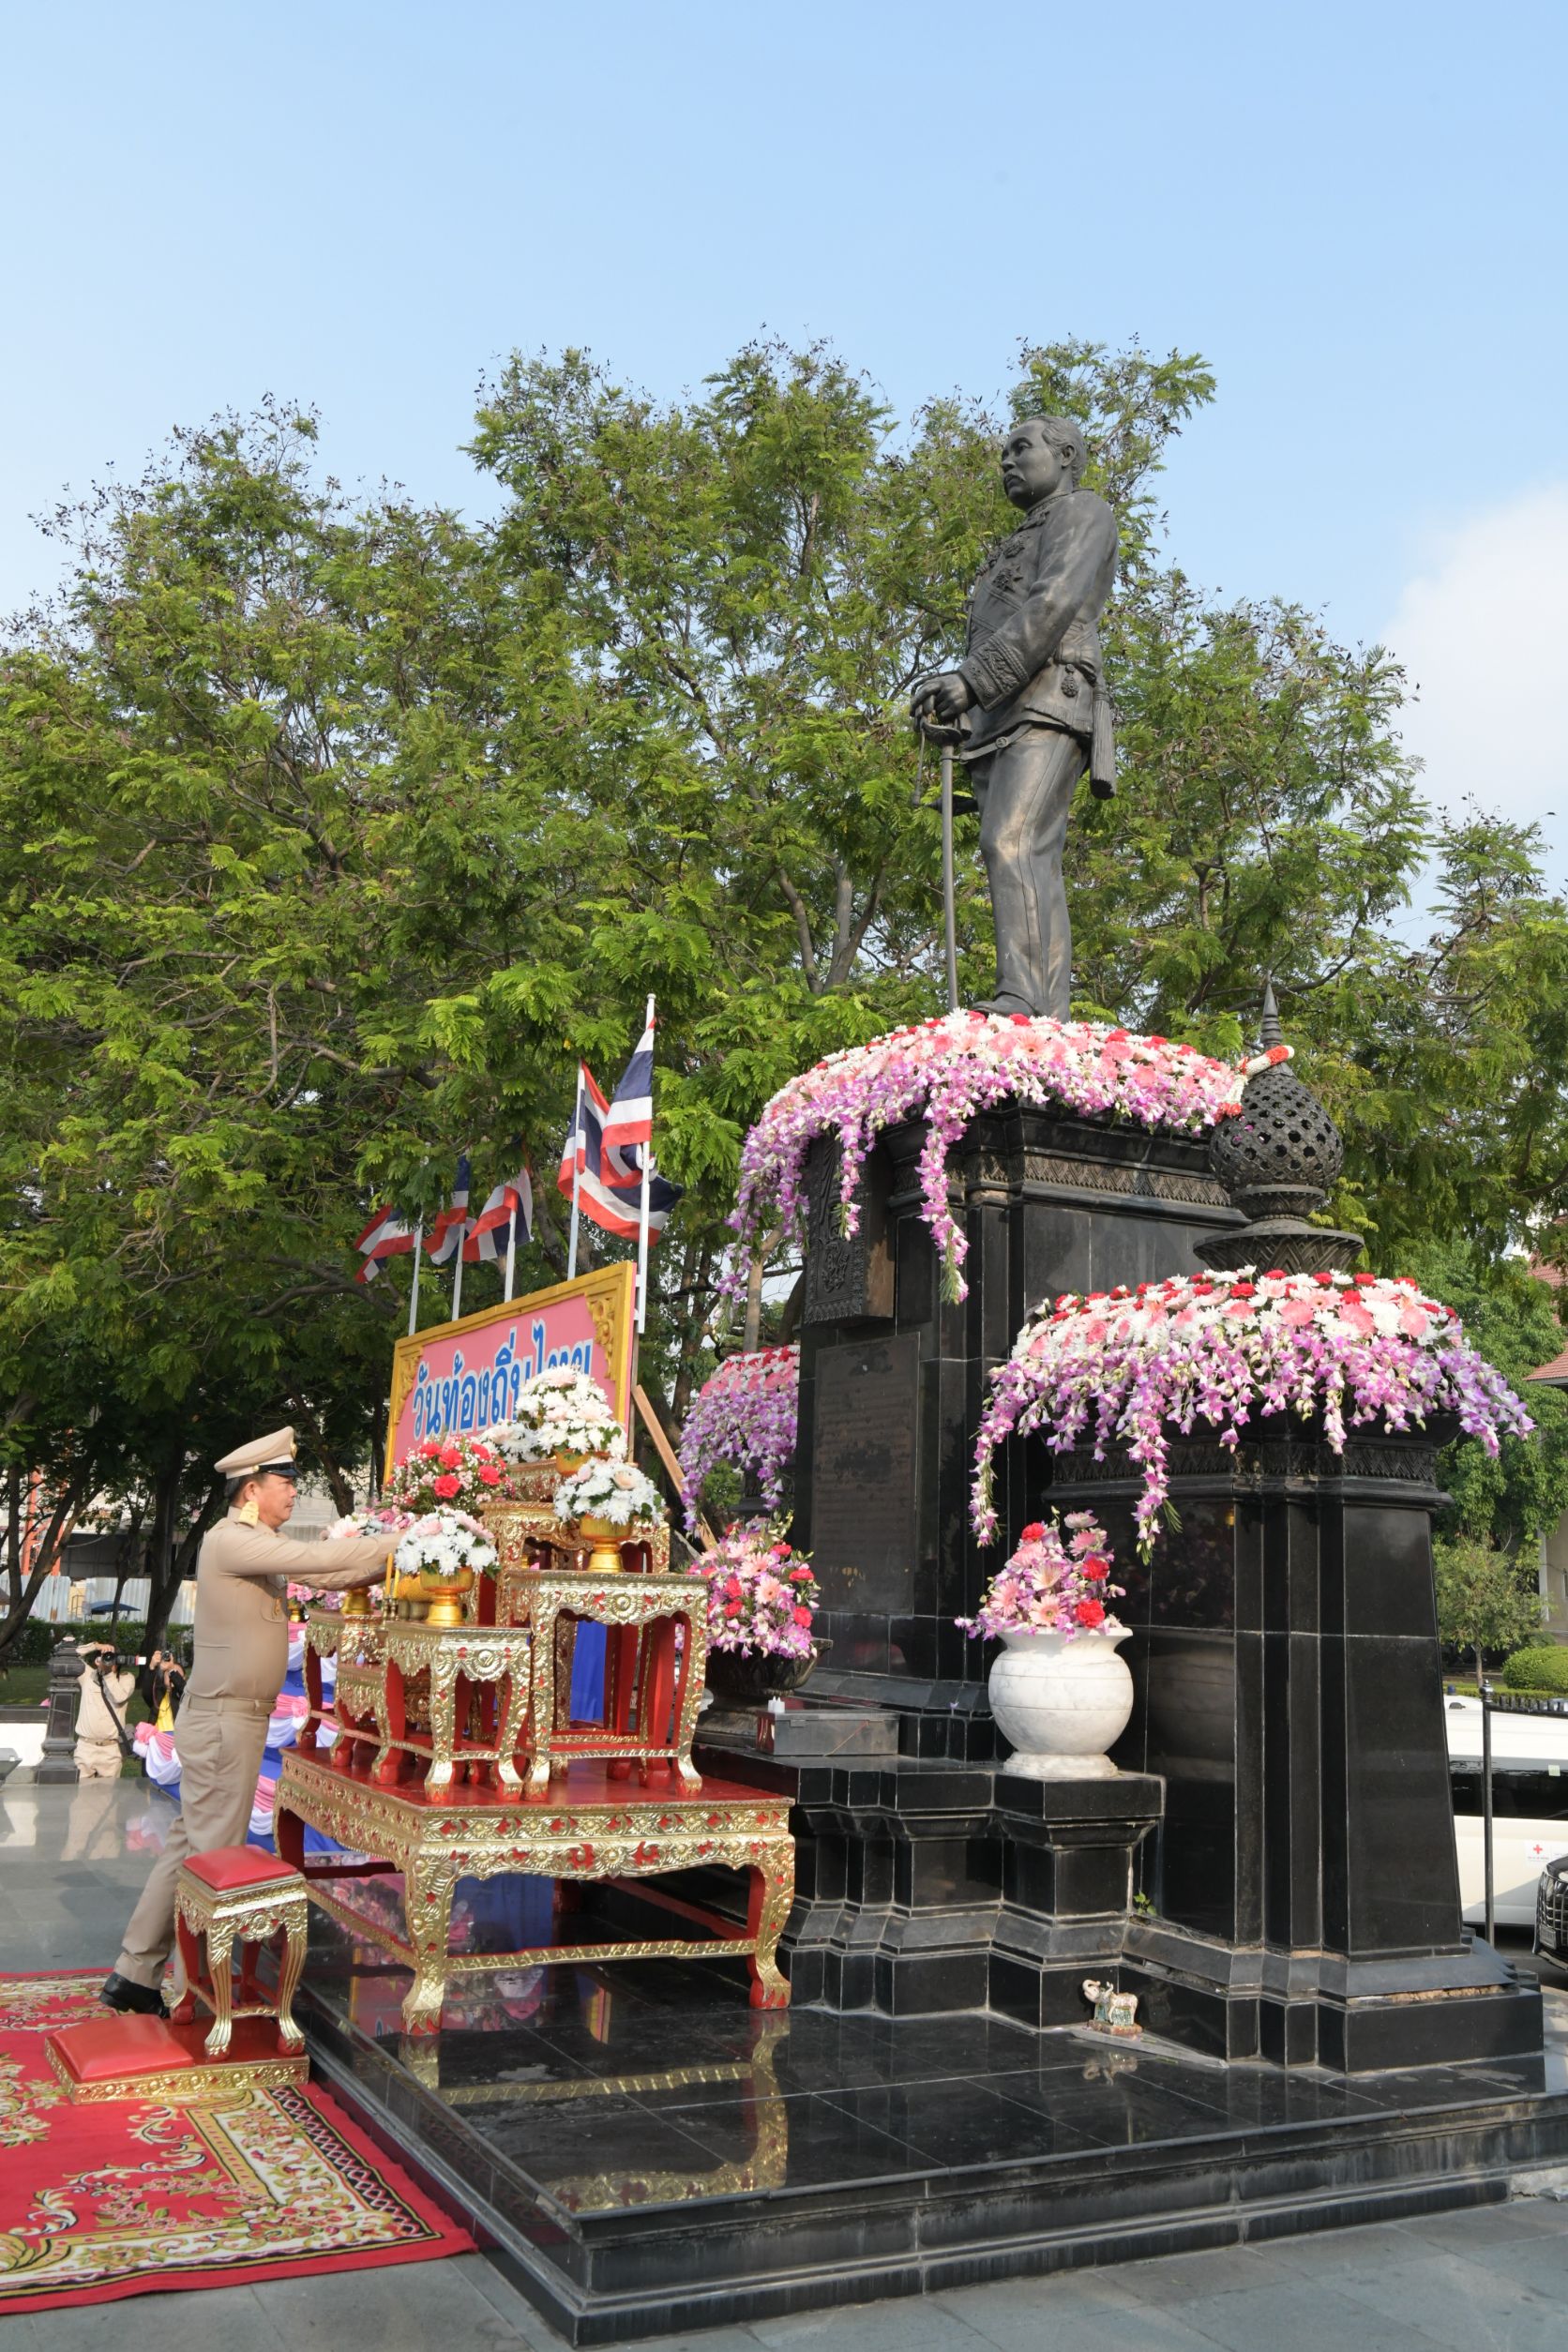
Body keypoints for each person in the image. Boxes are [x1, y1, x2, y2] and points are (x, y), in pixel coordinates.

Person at [100, 1425, 393, 2016]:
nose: (294, 1491)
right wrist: (406, 1542)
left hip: (232, 1717)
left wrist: (407, 1556)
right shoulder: (231, 1539)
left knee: (189, 1846)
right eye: (285, 1481)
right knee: (213, 1858)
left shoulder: (258, 1543)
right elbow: (318, 1559)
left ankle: (135, 1973)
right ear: (251, 1489)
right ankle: (192, 1995)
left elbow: (331, 1574)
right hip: (224, 1720)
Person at [912, 415, 1118, 1020]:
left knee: (1014, 839)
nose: (1007, 461)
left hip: (1052, 697)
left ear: (1066, 455)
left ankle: (1025, 1001)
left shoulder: (1083, 512)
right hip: (1001, 713)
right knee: (1015, 847)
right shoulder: (1016, 540)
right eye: (1004, 452)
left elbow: (1052, 606)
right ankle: (1040, 1009)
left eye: (1021, 448)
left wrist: (971, 682)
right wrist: (961, 708)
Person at [73, 1642, 136, 1780]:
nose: (108, 1660)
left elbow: (119, 1697)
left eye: (111, 1657)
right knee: (80, 1793)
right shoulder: (88, 1675)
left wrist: (108, 1674)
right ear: (97, 1660)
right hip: (85, 1748)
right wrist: (96, 1646)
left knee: (108, 1793)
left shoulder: (127, 1678)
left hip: (110, 1750)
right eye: (105, 1657)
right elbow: (70, 1656)